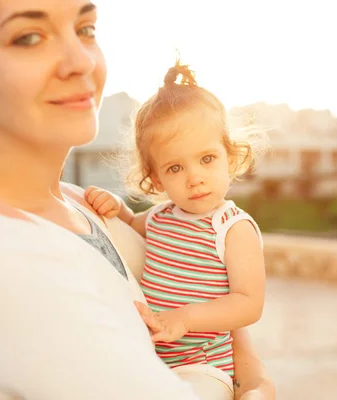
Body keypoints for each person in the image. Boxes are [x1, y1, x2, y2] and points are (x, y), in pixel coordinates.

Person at [0, 0, 274, 399]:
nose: (79, 61)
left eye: (86, 30)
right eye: (29, 37)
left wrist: (250, 375)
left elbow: (222, 295)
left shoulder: (80, 203)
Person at [85, 62, 265, 385]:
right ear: (156, 179)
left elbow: (249, 304)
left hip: (204, 365)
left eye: (207, 159)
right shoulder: (159, 216)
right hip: (150, 359)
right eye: (175, 168)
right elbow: (130, 223)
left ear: (231, 157)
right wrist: (115, 208)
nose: (194, 178)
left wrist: (187, 318)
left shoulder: (233, 228)